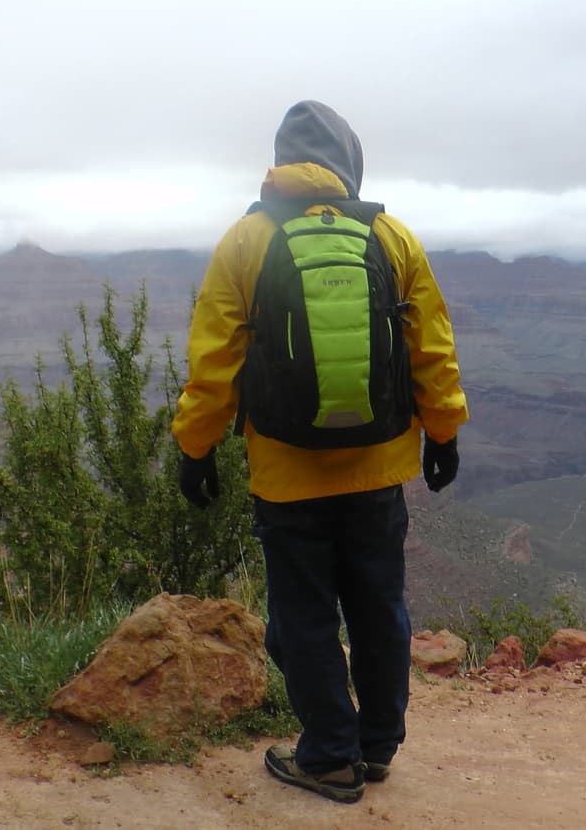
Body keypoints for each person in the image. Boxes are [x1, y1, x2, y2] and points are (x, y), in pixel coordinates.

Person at [172, 100, 468, 804]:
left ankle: (331, 755)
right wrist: (444, 432)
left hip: (286, 473)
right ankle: (376, 746)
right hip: (378, 468)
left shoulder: (246, 240)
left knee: (303, 617)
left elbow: (214, 362)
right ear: (349, 162)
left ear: (282, 162)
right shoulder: (392, 236)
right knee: (379, 608)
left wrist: (195, 446)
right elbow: (432, 348)